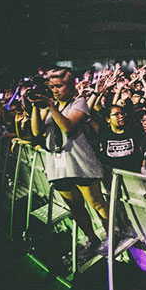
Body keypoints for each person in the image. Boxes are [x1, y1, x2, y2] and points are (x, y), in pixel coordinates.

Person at [29, 68, 111, 257]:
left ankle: (112, 236)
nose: (55, 90)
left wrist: (50, 105)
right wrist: (35, 106)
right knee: (75, 207)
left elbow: (67, 127)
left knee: (97, 203)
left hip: (80, 163)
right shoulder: (50, 106)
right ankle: (91, 238)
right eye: (52, 87)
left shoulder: (78, 102)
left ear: (70, 87)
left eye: (59, 86)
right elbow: (36, 131)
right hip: (58, 166)